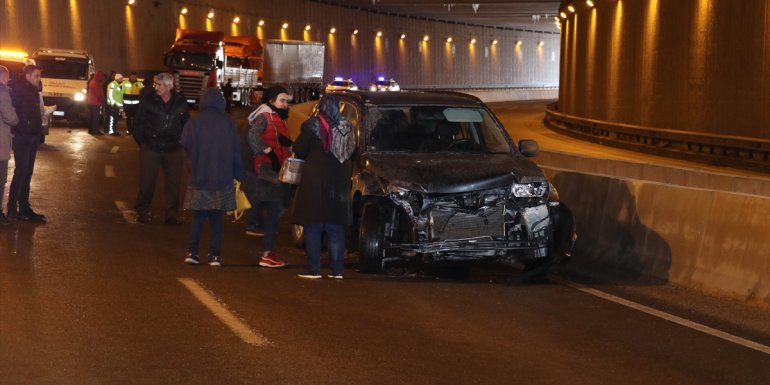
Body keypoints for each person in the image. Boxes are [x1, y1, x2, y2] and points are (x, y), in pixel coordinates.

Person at [292, 94, 356, 279]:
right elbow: (352, 151)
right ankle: (337, 271)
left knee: (313, 226)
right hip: (339, 182)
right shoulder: (347, 127)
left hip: (315, 180)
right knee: (336, 228)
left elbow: (300, 149)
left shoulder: (312, 125)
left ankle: (314, 269)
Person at [181, 88, 243, 266]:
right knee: (217, 219)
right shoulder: (228, 123)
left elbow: (185, 142)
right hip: (222, 178)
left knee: (198, 217)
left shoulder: (194, 122)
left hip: (199, 177)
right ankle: (215, 255)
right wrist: (238, 174)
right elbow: (236, 150)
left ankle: (192, 253)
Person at [133, 72, 190, 225]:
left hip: (173, 148)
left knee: (174, 184)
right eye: (155, 84)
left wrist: (182, 140)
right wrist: (143, 143)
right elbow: (139, 121)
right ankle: (142, 211)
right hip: (151, 147)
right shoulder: (148, 100)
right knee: (147, 182)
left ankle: (172, 215)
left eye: (159, 84)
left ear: (169, 86)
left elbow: (186, 122)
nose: (156, 87)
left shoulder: (180, 101)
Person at [246, 85, 293, 268]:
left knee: (276, 213)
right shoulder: (265, 116)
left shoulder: (276, 117)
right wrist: (269, 152)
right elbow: (253, 136)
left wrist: (286, 144)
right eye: (282, 100)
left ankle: (269, 252)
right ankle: (268, 254)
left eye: (287, 101)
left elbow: (275, 138)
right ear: (272, 101)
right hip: (268, 172)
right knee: (275, 212)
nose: (285, 104)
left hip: (276, 171)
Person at [7, 65, 46, 222]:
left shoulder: (33, 89)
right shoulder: (20, 88)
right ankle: (12, 209)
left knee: (27, 172)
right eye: (36, 76)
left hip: (31, 135)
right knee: (21, 171)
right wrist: (23, 128)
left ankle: (24, 207)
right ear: (28, 76)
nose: (39, 79)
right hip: (23, 136)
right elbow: (14, 110)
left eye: (39, 76)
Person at [0, 65, 19, 226]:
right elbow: (11, 118)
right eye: (7, 77)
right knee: (1, 179)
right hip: (1, 143)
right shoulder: (3, 93)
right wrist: (17, 118)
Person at [86, 70, 105, 135]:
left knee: (92, 117)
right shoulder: (97, 83)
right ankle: (95, 131)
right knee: (96, 118)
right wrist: (102, 100)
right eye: (102, 76)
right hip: (96, 102)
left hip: (90, 102)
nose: (103, 78)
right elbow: (98, 94)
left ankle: (90, 130)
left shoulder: (92, 81)